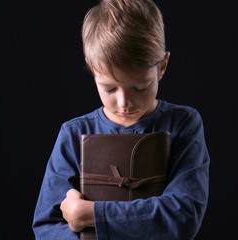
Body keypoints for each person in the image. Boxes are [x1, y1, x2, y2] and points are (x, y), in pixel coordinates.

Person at [32, 0, 210, 239]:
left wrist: (91, 214)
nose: (124, 102)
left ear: (162, 67)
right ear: (93, 69)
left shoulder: (183, 124)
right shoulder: (73, 133)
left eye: (140, 87)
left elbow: (183, 215)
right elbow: (46, 227)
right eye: (109, 88)